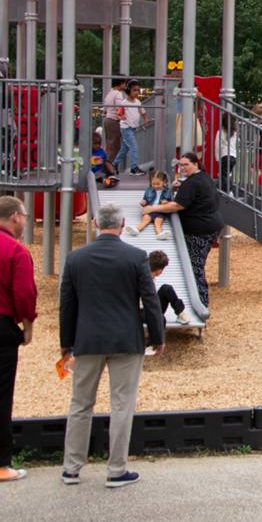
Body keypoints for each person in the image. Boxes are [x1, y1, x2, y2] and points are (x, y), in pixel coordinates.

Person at [59, 203, 164, 488]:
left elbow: (67, 304)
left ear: (95, 223)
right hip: (125, 339)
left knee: (80, 404)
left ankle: (71, 467)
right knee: (122, 404)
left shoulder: (75, 258)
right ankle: (116, 469)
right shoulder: (136, 257)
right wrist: (157, 336)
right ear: (121, 225)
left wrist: (65, 343)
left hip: (87, 339)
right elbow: (150, 300)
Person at [144, 153, 224, 308]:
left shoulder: (192, 183)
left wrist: (153, 208)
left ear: (195, 164)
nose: (182, 168)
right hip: (209, 225)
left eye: (186, 164)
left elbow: (177, 205)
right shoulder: (202, 178)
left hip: (200, 230)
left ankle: (201, 302)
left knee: (195, 266)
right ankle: (199, 299)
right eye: (180, 165)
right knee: (196, 264)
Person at [0, 196, 35, 483]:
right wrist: (28, 325)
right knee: (2, 395)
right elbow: (24, 294)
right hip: (2, 326)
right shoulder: (16, 251)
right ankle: (1, 463)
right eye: (24, 216)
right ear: (14, 217)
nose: (25, 221)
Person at [113, 80, 148, 176]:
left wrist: (146, 120)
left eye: (138, 90)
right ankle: (134, 168)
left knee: (125, 148)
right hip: (126, 127)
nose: (137, 92)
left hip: (133, 128)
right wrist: (121, 117)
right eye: (134, 90)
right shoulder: (124, 102)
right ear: (128, 91)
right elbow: (118, 114)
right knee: (133, 147)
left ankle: (114, 164)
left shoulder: (138, 102)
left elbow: (143, 112)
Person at [126, 171, 173, 239]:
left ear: (164, 182)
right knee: (145, 220)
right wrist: (143, 202)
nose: (155, 186)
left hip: (160, 211)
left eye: (158, 184)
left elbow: (169, 202)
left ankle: (160, 233)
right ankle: (136, 229)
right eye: (153, 184)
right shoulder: (148, 190)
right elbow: (145, 199)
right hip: (149, 210)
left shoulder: (167, 191)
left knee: (158, 222)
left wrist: (166, 202)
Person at [148, 251, 190, 326]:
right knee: (160, 318)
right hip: (143, 311)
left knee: (166, 288)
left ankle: (180, 313)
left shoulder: (151, 276)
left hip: (152, 306)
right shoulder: (143, 277)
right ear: (160, 270)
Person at [101, 76, 128, 167]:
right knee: (114, 146)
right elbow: (119, 109)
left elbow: (105, 109)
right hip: (114, 121)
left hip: (107, 120)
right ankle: (108, 167)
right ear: (120, 83)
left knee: (109, 145)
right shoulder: (118, 94)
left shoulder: (110, 93)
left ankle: (105, 164)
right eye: (124, 83)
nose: (125, 85)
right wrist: (125, 118)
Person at [214, 114, 238, 193]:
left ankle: (229, 191)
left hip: (225, 156)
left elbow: (217, 146)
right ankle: (224, 189)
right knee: (228, 174)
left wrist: (217, 158)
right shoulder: (234, 133)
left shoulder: (220, 132)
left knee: (223, 175)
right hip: (233, 157)